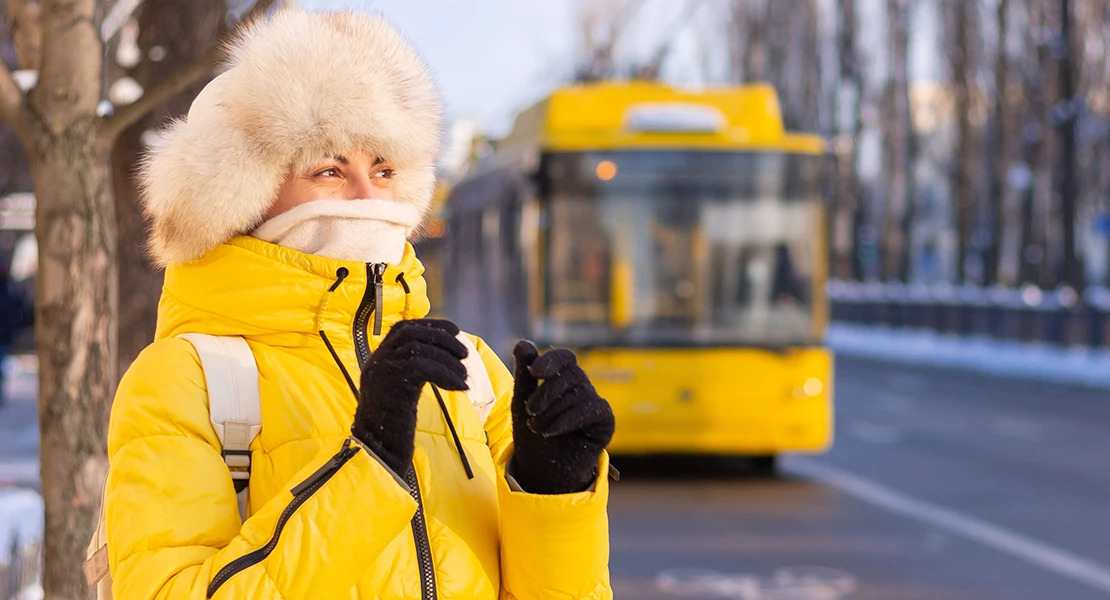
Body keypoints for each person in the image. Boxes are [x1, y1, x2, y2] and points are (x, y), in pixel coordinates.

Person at [105, 9, 615, 599]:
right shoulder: (187, 382)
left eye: (384, 168)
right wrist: (368, 462)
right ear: (245, 195)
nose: (368, 197)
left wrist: (556, 490)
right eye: (329, 169)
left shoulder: (472, 374)